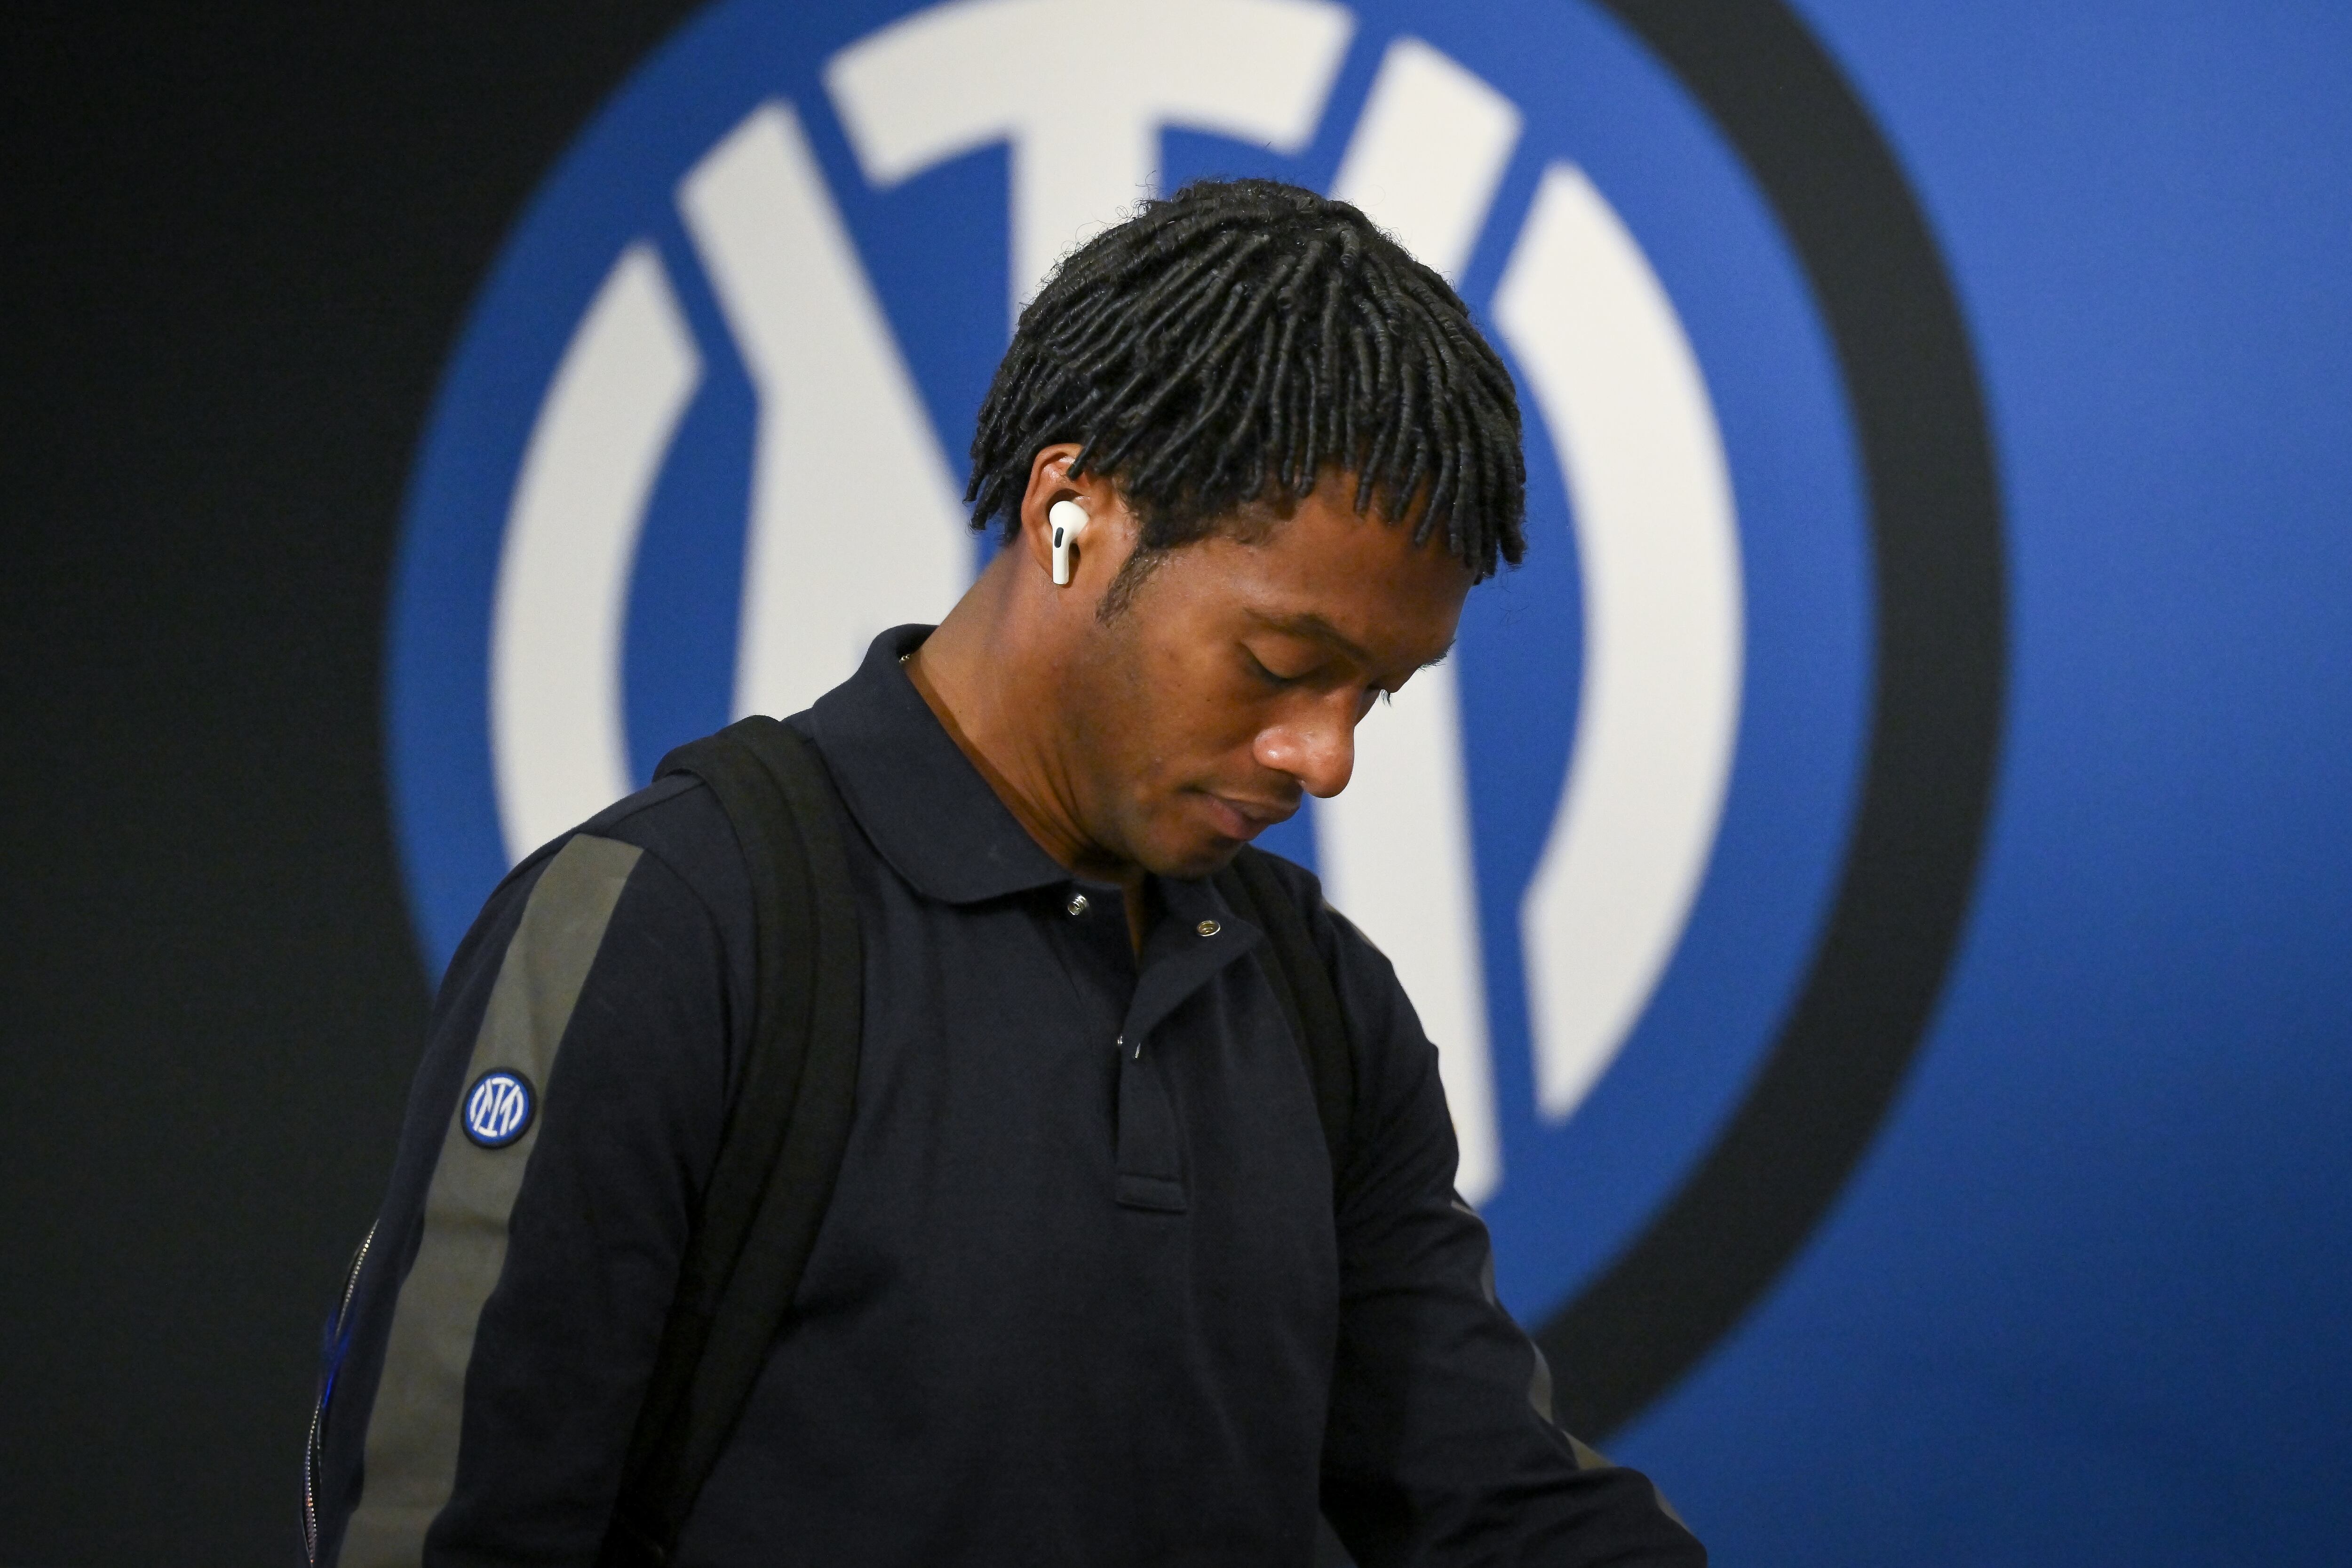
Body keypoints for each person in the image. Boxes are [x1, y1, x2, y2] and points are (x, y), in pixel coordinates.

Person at [310, 177, 1706, 1567]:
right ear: (1068, 514)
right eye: (1285, 666)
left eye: (1380, 694)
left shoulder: (1323, 1003)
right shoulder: (671, 927)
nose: (1325, 757)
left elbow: (1493, 1506)